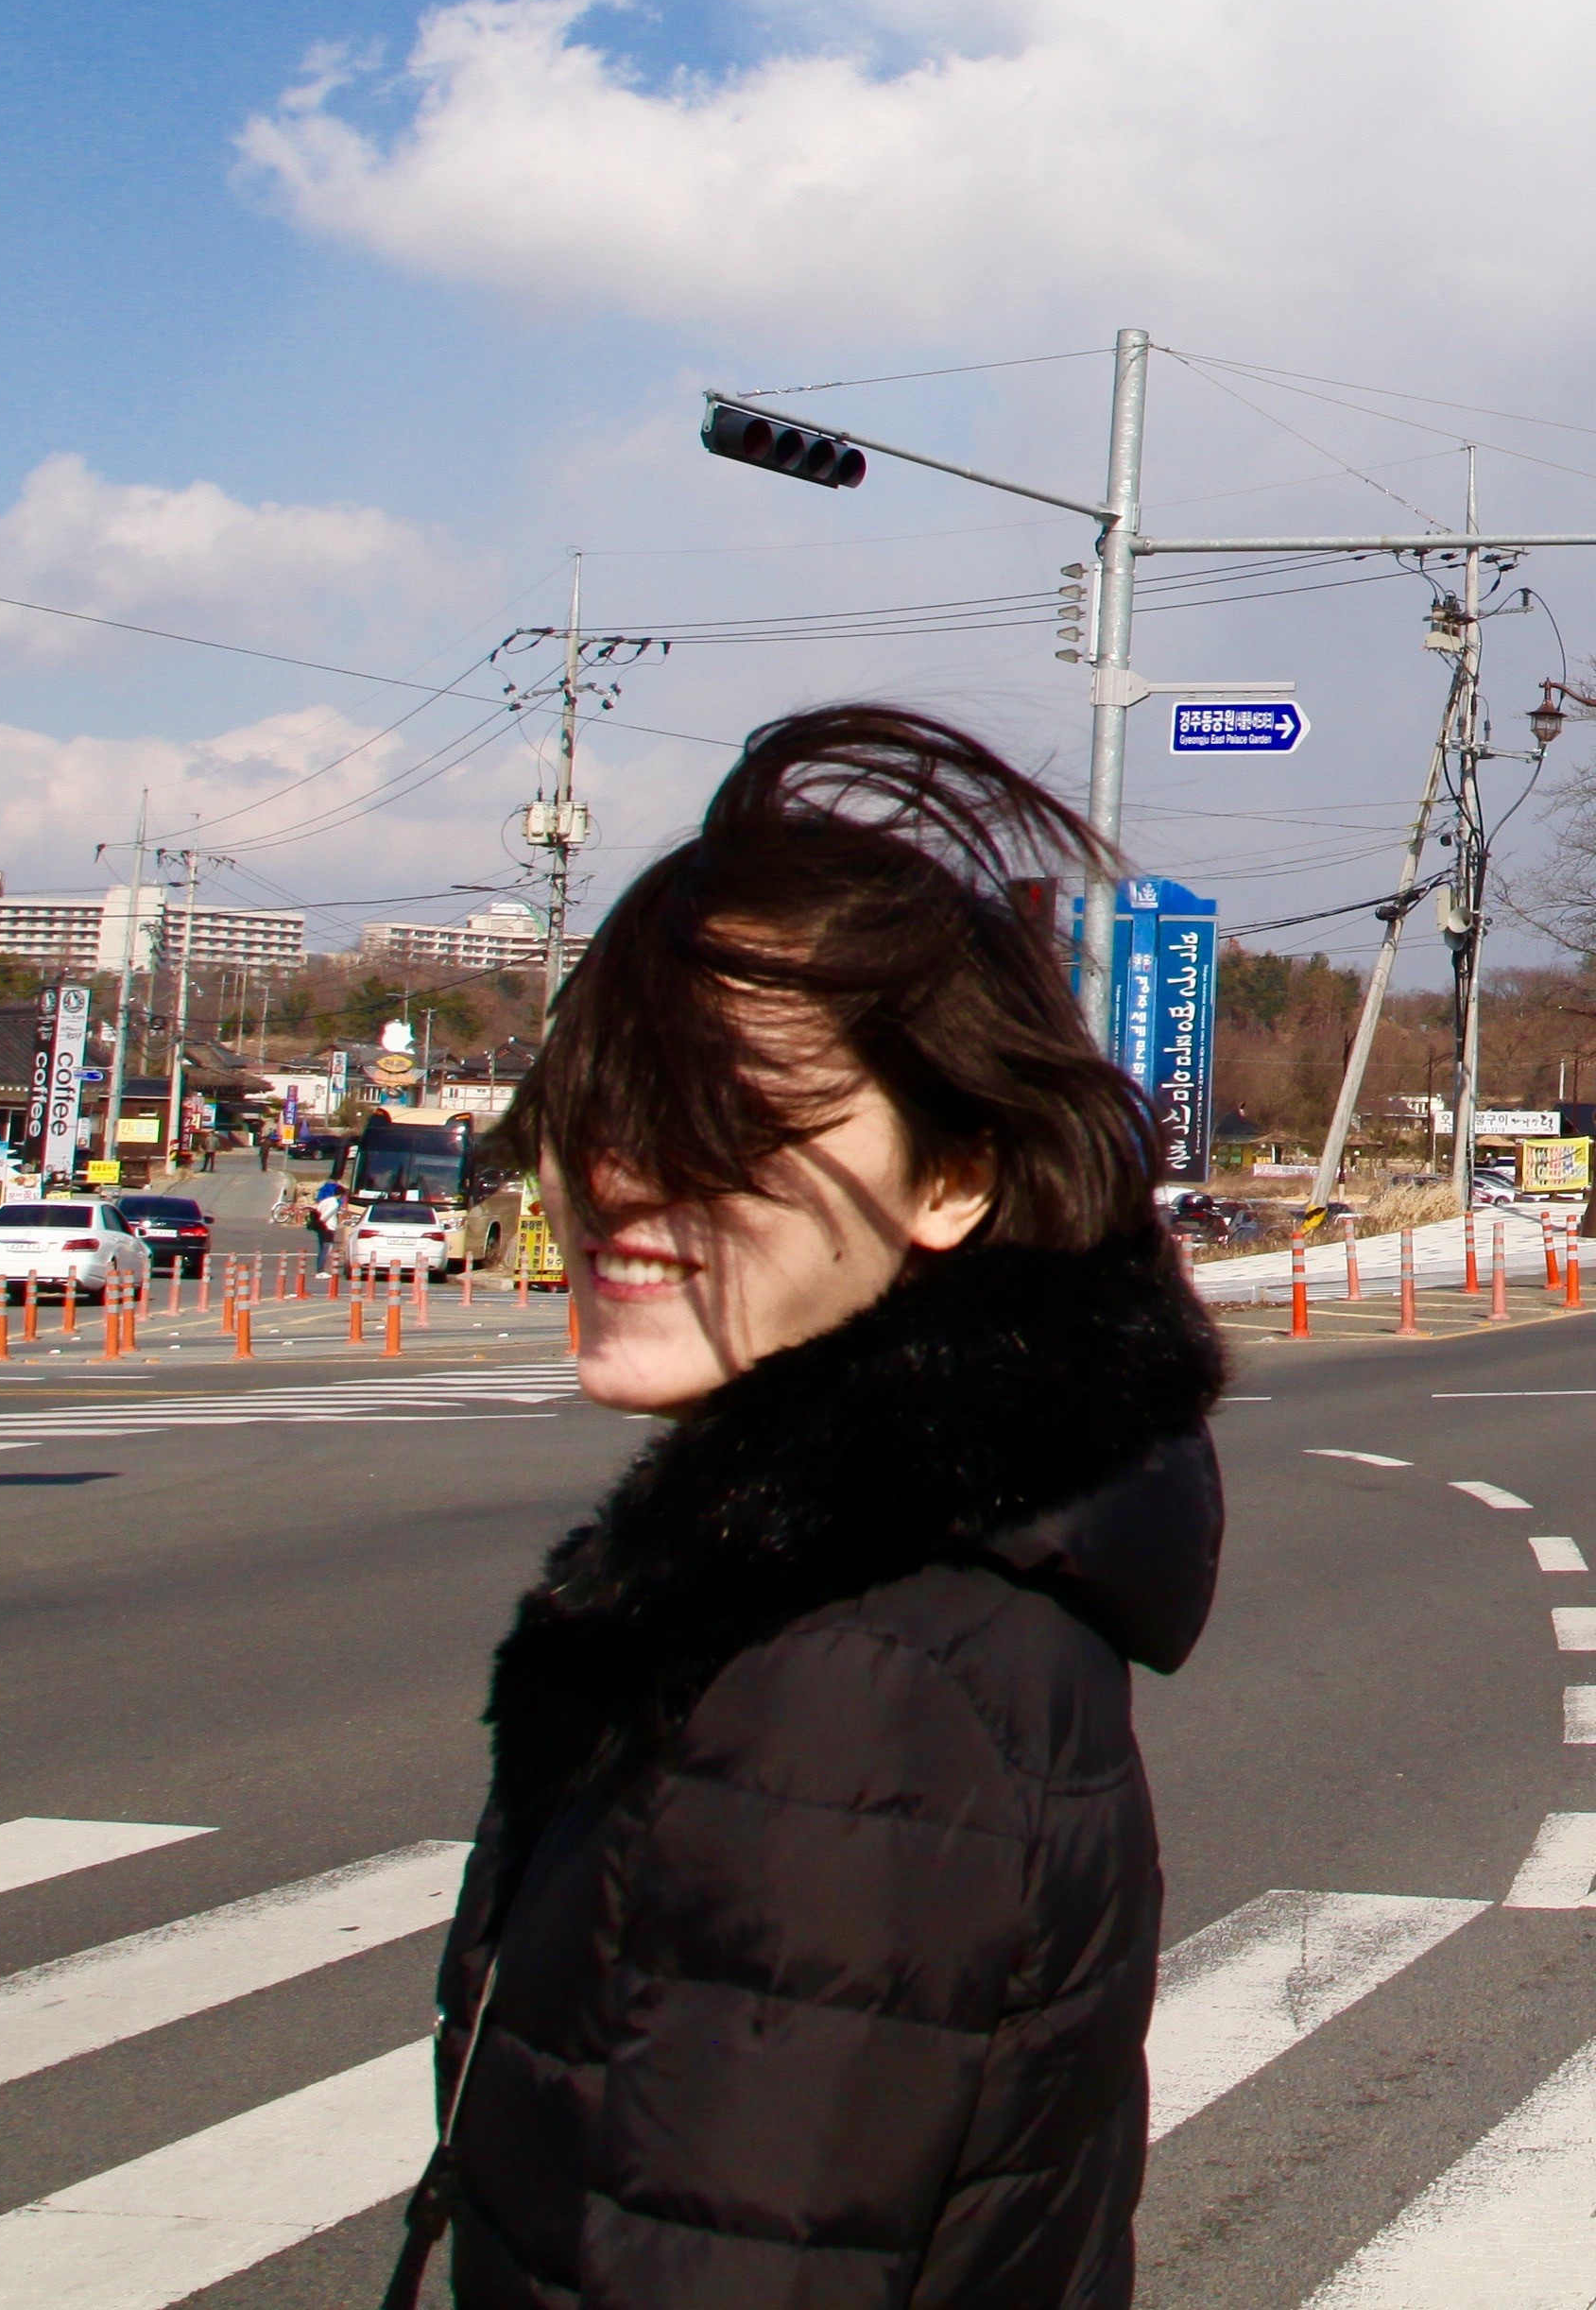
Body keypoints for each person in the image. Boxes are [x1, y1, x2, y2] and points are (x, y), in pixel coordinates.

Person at [405, 708, 1224, 2310]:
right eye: (598, 1099)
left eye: (739, 1114)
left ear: (951, 1179)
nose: (620, 1176)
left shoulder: (847, 1683)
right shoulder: (905, 1577)